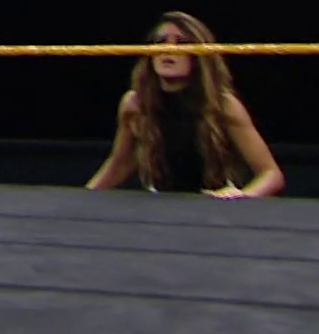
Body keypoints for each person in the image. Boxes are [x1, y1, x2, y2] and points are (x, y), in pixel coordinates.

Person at [84, 11, 286, 198]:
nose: (168, 50)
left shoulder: (223, 105)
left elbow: (271, 174)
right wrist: (84, 198)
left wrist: (242, 196)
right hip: (162, 203)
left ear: (197, 56)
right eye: (160, 42)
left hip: (214, 205)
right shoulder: (135, 104)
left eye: (181, 42)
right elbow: (120, 163)